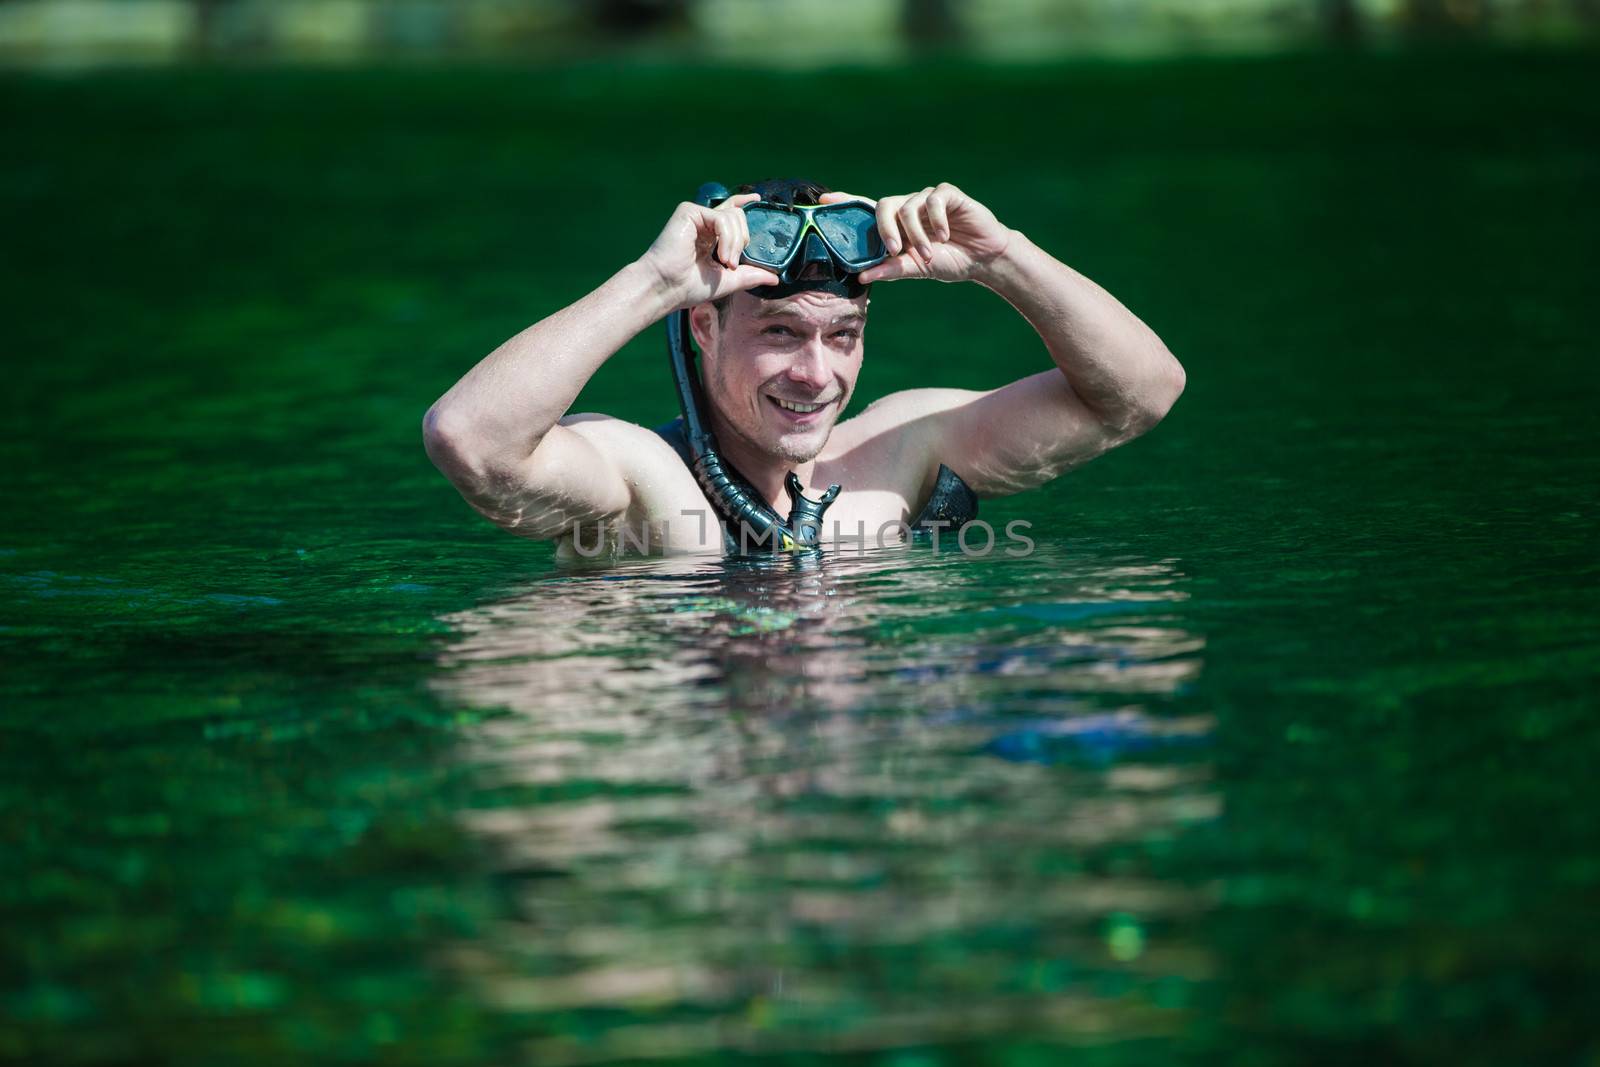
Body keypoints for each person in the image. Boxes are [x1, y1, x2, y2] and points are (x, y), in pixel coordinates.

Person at [423, 179, 1185, 557]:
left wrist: (1001, 259)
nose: (816, 374)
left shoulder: (901, 448)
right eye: (781, 332)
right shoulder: (640, 479)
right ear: (702, 328)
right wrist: (651, 283)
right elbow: (472, 441)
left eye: (843, 334)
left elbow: (1140, 396)